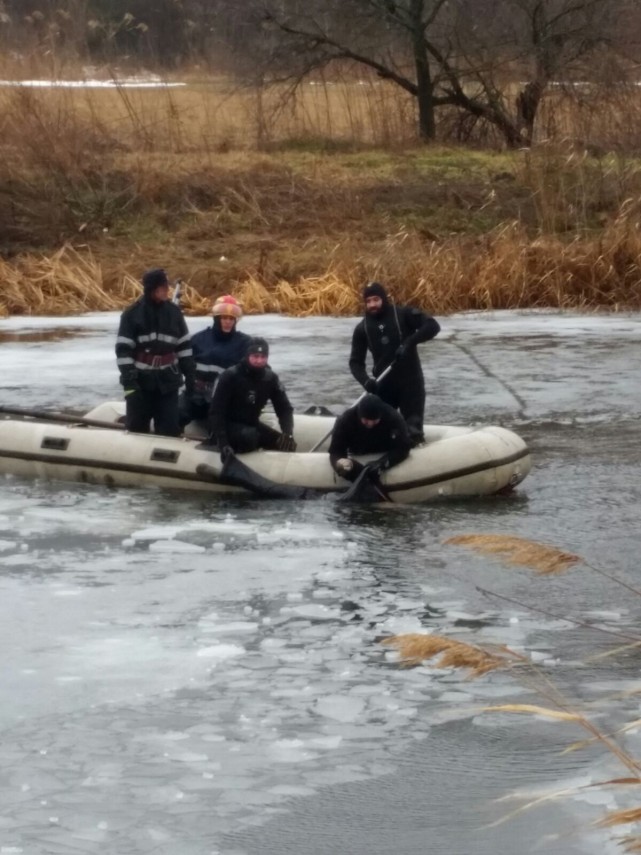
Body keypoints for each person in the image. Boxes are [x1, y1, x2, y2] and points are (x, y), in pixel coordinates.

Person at [349, 281, 440, 444]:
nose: (372, 305)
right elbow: (355, 363)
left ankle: (415, 443)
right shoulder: (362, 328)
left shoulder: (403, 315)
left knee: (412, 431)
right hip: (383, 385)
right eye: (368, 301)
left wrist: (409, 342)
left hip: (410, 383)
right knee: (381, 435)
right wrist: (366, 381)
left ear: (383, 298)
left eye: (376, 299)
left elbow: (432, 326)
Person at [115, 268, 196, 436]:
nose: (167, 290)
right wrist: (130, 382)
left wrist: (190, 377)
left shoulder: (174, 313)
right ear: (152, 289)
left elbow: (184, 348)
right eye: (163, 287)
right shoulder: (131, 315)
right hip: (140, 383)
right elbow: (123, 352)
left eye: (167, 286)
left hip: (168, 383)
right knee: (136, 429)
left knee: (169, 429)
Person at [208, 337, 296, 461]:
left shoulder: (270, 378)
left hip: (251, 423)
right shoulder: (230, 376)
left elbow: (285, 409)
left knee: (286, 444)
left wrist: (288, 433)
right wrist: (223, 443)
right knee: (250, 437)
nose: (259, 361)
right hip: (228, 426)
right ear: (247, 355)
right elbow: (216, 412)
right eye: (255, 356)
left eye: (263, 357)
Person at [179, 295, 251, 427]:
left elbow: (255, 371)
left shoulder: (245, 343)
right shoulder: (198, 339)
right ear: (216, 318)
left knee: (223, 425)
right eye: (224, 318)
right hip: (195, 395)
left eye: (231, 319)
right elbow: (181, 363)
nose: (228, 322)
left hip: (224, 399)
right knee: (177, 414)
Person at [329, 393, 412, 482]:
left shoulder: (393, 418)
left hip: (383, 449)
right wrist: (341, 463)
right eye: (366, 420)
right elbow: (335, 451)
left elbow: (403, 448)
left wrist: (382, 464)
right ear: (359, 415)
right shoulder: (346, 420)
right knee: (346, 466)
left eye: (374, 420)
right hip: (357, 451)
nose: (371, 424)